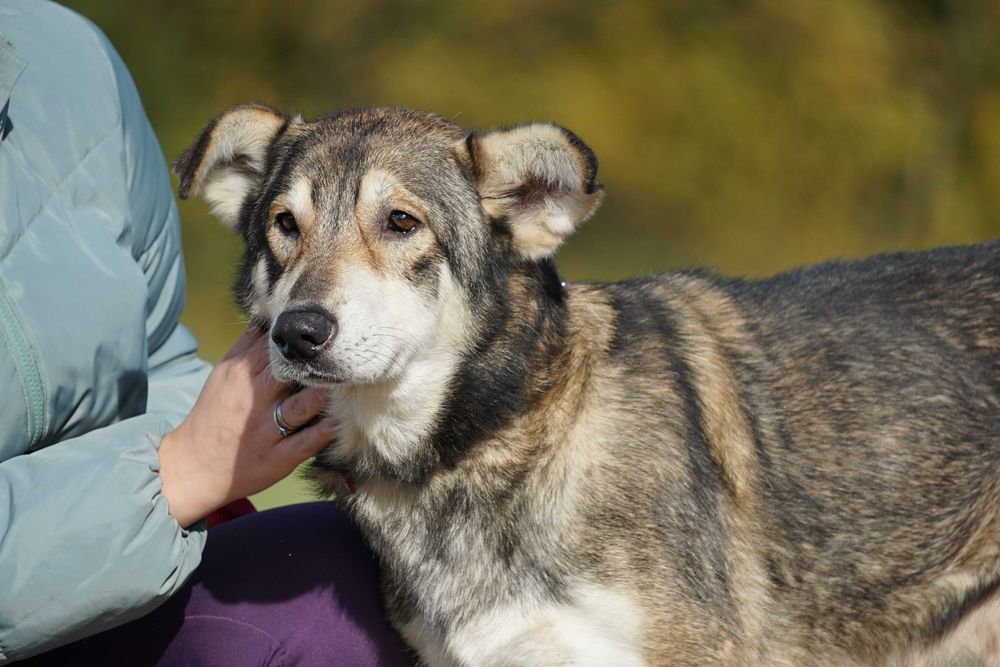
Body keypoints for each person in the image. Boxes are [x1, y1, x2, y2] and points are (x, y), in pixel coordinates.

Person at [0, 2, 412, 664]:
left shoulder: (66, 58)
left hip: (112, 584)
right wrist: (177, 472)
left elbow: (152, 362)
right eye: (287, 224)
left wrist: (300, 420)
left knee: (343, 568)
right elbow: (183, 453)